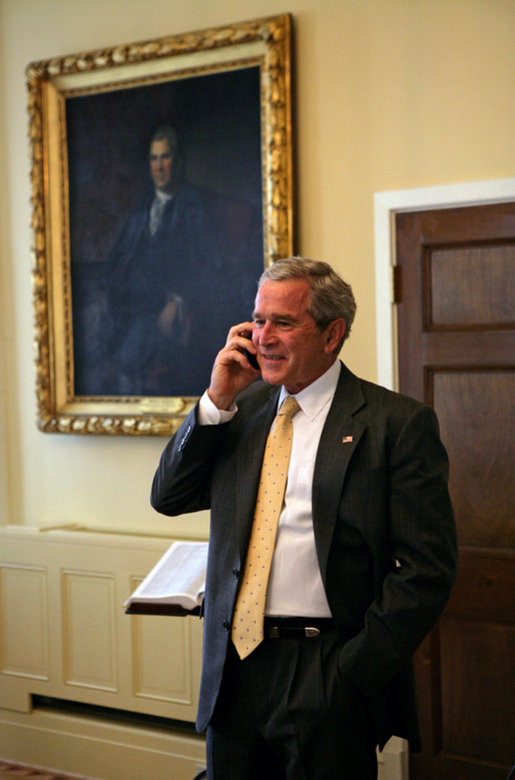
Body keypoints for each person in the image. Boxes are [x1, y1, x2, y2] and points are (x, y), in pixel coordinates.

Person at [151, 256, 457, 779]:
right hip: (234, 666)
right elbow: (170, 496)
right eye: (257, 320)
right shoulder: (238, 412)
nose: (263, 337)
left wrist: (353, 673)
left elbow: (425, 571)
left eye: (283, 323)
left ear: (332, 334)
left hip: (327, 669)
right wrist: (216, 399)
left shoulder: (395, 424)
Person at [102, 125, 229, 397]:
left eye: (166, 157)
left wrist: (180, 301)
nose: (159, 167)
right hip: (133, 304)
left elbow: (212, 267)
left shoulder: (194, 207)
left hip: (163, 309)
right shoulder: (141, 208)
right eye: (154, 158)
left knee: (135, 348)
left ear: (178, 161)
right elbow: (119, 259)